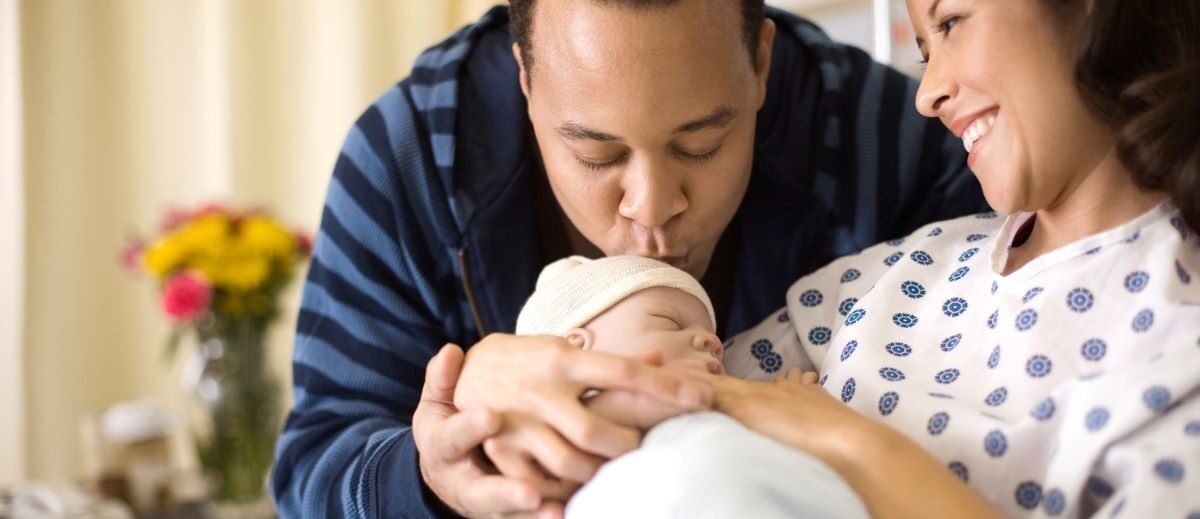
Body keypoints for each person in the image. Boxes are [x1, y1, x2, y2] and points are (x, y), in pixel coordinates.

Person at [271, 0, 985, 517]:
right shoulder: (413, 157)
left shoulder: (888, 138)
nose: (652, 206)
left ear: (761, 62)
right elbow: (313, 463)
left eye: (700, 144)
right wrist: (430, 473)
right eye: (596, 153)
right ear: (524, 77)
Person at [570, 0, 1200, 517]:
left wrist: (847, 443)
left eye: (950, 22)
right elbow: (647, 400)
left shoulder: (1179, 336)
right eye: (924, 50)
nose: (928, 94)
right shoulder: (893, 275)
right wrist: (503, 370)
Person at [493, 254, 871, 519]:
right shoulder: (559, 434)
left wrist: (797, 412)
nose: (711, 343)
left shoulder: (734, 405)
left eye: (710, 334)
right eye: (671, 322)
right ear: (575, 347)